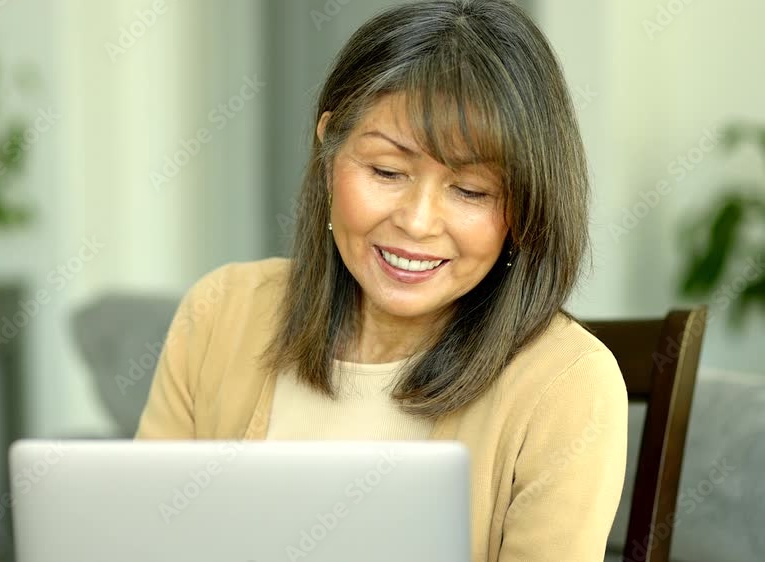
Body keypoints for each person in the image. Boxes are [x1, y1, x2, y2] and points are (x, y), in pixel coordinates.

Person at [135, 0, 628, 559]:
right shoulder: (221, 311)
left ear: (527, 207)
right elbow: (144, 539)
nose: (416, 222)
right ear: (329, 153)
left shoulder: (567, 384)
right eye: (386, 171)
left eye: (471, 191)